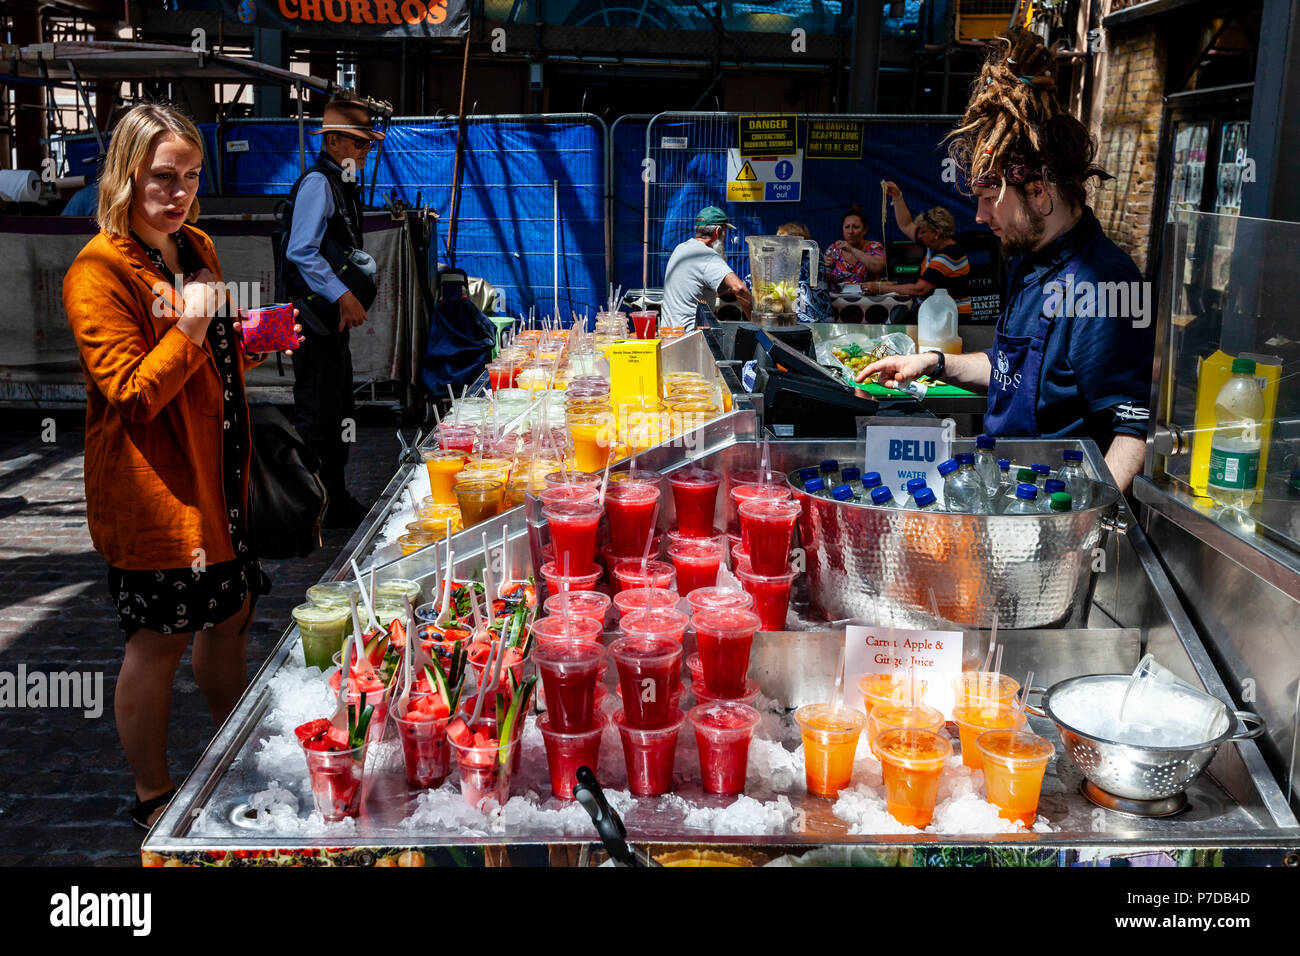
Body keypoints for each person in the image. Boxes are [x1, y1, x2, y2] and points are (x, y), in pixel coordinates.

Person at [62, 103, 299, 830]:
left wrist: (244, 343)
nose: (180, 193)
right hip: (155, 492)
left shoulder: (194, 246)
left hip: (218, 478)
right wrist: (194, 322)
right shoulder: (98, 272)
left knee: (229, 620)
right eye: (164, 177)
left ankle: (239, 755)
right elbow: (133, 393)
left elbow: (204, 357)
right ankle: (153, 793)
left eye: (191, 177)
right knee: (157, 642)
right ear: (126, 174)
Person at [856, 28, 1154, 494]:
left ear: (1038, 191)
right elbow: (1012, 369)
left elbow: (1130, 434)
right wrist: (932, 362)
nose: (978, 215)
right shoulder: (1031, 262)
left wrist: (1082, 534)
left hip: (1052, 514)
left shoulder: (1106, 286)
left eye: (990, 198)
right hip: (1004, 497)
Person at [279, 98, 383, 528]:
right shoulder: (319, 183)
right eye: (358, 144)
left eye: (367, 145)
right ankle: (311, 506)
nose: (363, 152)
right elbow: (300, 249)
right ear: (334, 140)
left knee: (338, 408)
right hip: (312, 317)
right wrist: (343, 294)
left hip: (326, 318)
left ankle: (333, 499)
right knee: (319, 414)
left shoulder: (339, 182)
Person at [866, 190, 971, 317]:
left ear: (936, 233)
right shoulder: (933, 243)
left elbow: (919, 289)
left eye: (923, 232)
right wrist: (897, 195)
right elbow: (905, 225)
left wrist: (880, 289)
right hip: (935, 314)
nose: (919, 236)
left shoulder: (947, 256)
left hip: (949, 319)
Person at [660, 205, 752, 332]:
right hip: (688, 338)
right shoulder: (706, 255)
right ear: (718, 232)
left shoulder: (681, 248)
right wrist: (755, 324)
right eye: (725, 232)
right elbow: (739, 288)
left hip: (668, 333)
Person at [822, 204, 885, 290]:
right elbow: (824, 280)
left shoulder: (874, 247)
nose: (850, 231)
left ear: (865, 230)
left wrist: (851, 249)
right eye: (847, 227)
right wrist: (822, 266)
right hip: (838, 300)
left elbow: (878, 268)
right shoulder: (834, 249)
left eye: (856, 227)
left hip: (868, 300)